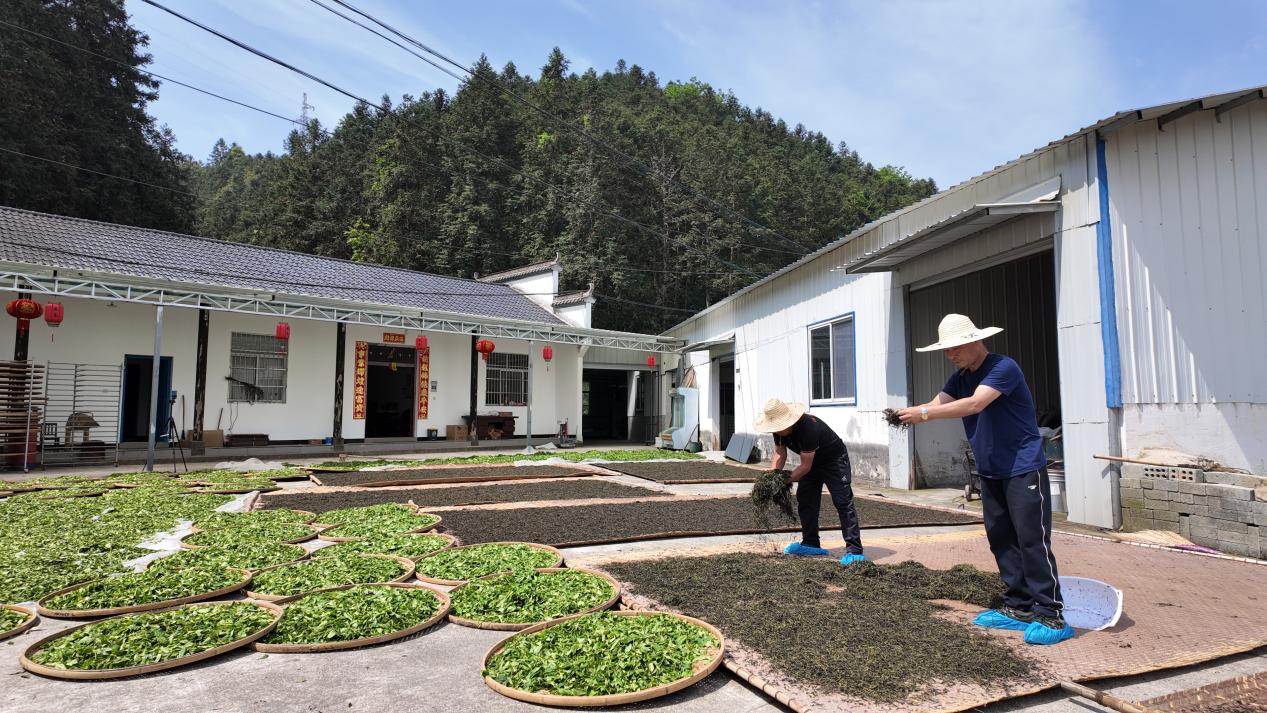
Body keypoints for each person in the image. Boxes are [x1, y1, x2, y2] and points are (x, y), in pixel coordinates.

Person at [897, 314, 1073, 645]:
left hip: (1022, 467)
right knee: (1001, 538)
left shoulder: (1002, 367)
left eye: (955, 347)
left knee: (1031, 539)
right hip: (991, 469)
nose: (951, 354)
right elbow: (938, 404)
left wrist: (923, 415)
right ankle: (1019, 606)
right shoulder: (960, 376)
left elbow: (976, 404)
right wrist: (906, 413)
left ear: (976, 340)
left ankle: (1051, 613)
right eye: (946, 350)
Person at [754, 397, 865, 566]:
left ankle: (855, 549)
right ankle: (811, 542)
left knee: (843, 501)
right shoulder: (779, 431)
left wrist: (783, 481)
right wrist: (772, 474)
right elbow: (780, 453)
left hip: (833, 461)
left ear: (788, 421)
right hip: (812, 462)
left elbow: (805, 466)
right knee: (805, 499)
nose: (775, 430)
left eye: (778, 427)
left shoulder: (808, 428)